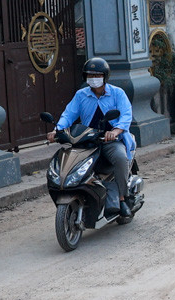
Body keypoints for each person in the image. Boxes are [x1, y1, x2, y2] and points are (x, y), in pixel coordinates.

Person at [52, 57, 136, 216]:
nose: (94, 79)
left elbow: (126, 115)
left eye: (97, 75)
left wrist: (115, 131)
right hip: (87, 141)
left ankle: (122, 198)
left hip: (110, 141)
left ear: (105, 76)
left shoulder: (118, 93)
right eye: (90, 75)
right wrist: (57, 130)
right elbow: (68, 115)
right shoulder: (81, 95)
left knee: (120, 157)